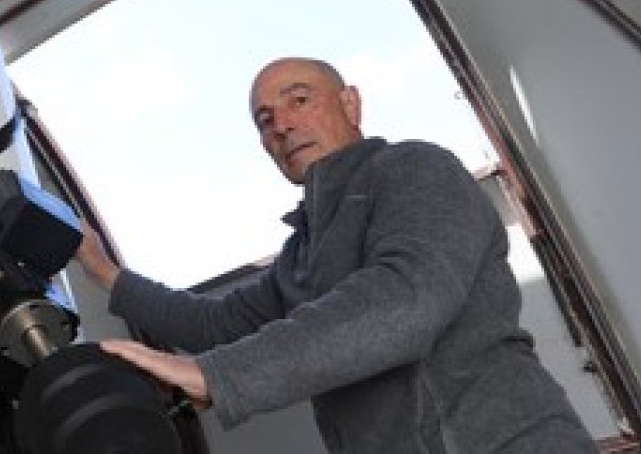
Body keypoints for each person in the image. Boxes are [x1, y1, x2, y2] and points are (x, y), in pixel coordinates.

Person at [74, 57, 597, 453]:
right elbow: (214, 324)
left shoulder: (416, 169)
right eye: (264, 119)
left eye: (299, 100)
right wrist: (103, 271)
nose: (280, 124)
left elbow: (406, 299)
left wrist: (218, 376)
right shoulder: (300, 255)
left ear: (350, 104)